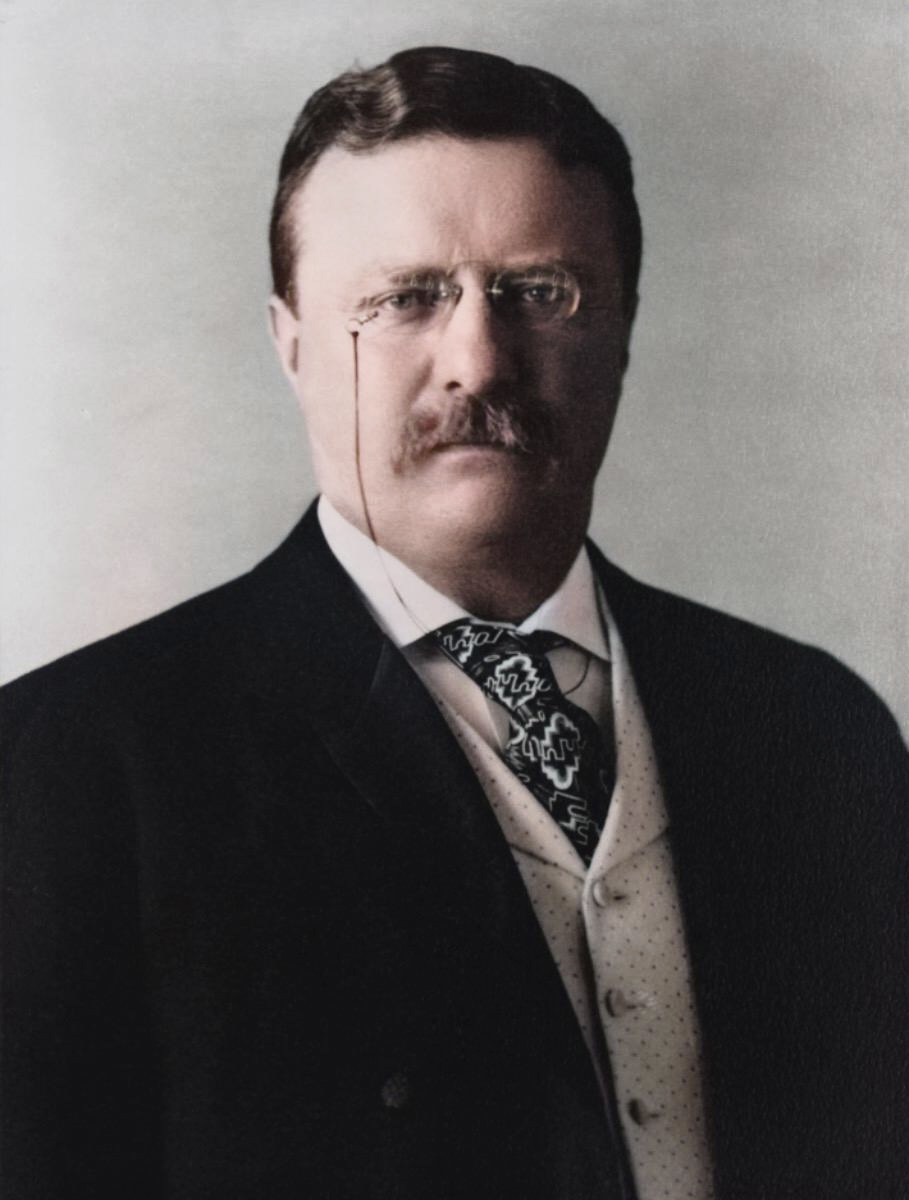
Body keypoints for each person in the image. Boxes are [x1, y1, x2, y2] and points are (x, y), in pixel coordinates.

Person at [2, 45, 906, 1200]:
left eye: (540, 292)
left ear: (622, 332)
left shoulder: (816, 730)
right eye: (403, 299)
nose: (477, 360)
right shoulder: (64, 771)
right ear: (290, 343)